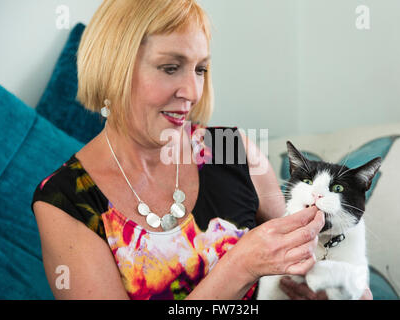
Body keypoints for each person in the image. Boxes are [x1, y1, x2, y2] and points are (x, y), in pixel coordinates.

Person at [31, 0, 371, 300]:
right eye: (170, 67)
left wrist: (342, 291)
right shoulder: (64, 202)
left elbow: (324, 254)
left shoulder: (229, 148)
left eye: (200, 69)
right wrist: (239, 266)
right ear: (114, 68)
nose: (192, 91)